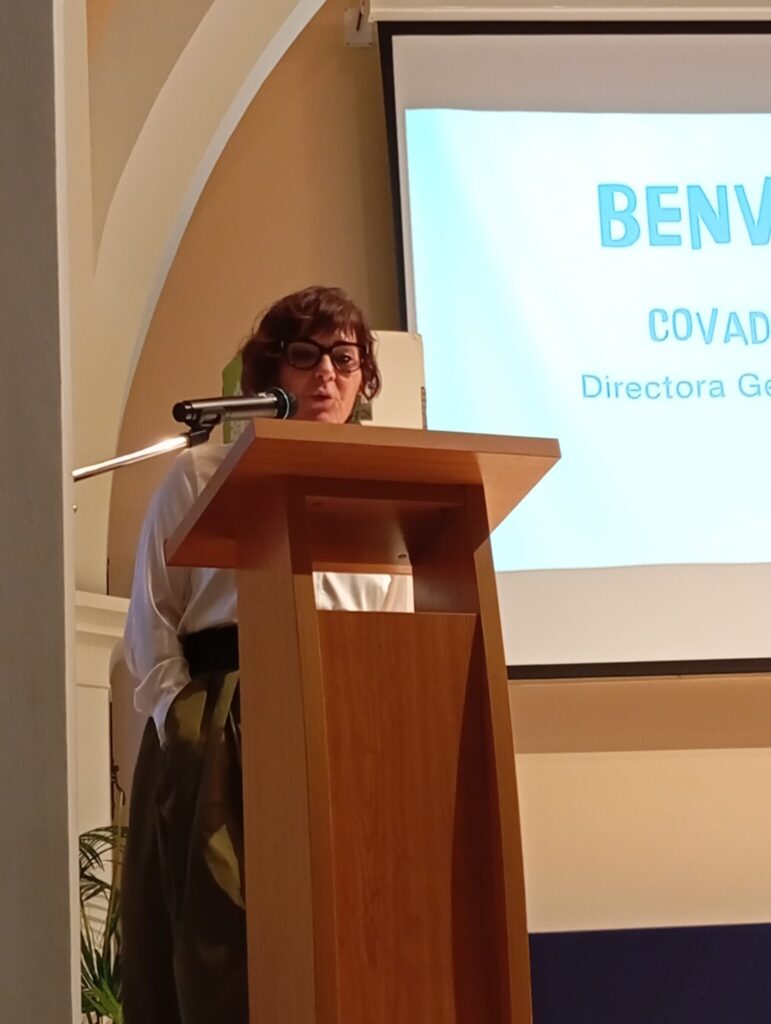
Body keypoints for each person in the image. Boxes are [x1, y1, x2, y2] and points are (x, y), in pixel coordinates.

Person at [121, 286, 412, 1024]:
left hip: (343, 723)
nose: (326, 374)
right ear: (271, 371)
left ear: (364, 380)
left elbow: (394, 624)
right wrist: (184, 724)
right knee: (221, 945)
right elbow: (151, 616)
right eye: (305, 355)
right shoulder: (201, 473)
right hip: (221, 715)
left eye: (344, 359)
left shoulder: (384, 490)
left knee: (340, 930)